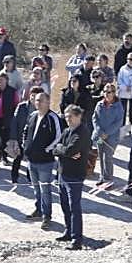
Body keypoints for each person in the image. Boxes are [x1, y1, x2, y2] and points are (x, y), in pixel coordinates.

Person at [21, 91, 63, 229]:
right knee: (36, 189)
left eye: (40, 100)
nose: (37, 103)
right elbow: (26, 131)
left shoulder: (53, 118)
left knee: (45, 189)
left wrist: (47, 149)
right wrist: (24, 145)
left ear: (48, 102)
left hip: (45, 161)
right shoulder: (33, 116)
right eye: (36, 100)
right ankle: (38, 210)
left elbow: (58, 136)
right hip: (31, 159)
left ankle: (47, 216)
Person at [52, 105, 90, 249]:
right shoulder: (67, 131)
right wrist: (64, 150)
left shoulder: (82, 133)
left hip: (75, 175)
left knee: (75, 207)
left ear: (78, 116)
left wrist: (64, 150)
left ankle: (77, 239)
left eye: (70, 117)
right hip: (62, 173)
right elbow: (56, 149)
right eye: (66, 117)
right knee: (64, 205)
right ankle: (69, 231)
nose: (68, 120)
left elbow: (70, 150)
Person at [91, 83, 122, 184]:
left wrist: (107, 133)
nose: (106, 94)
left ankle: (108, 179)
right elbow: (94, 118)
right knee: (100, 155)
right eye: (104, 92)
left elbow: (118, 122)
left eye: (109, 92)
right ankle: (102, 177)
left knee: (107, 157)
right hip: (100, 136)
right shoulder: (99, 104)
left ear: (114, 93)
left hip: (111, 137)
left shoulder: (118, 107)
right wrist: (99, 131)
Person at [0, 72, 18, 163]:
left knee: (4, 138)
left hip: (7, 118)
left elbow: (16, 104)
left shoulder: (12, 91)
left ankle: (4, 157)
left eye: (2, 79)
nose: (0, 81)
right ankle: (1, 153)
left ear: (6, 81)